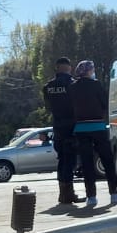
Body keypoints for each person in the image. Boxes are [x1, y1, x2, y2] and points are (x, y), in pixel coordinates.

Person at [68, 59, 117, 207]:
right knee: (107, 160)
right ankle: (114, 194)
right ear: (89, 71)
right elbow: (104, 103)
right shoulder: (96, 84)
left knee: (87, 163)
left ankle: (91, 196)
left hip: (80, 129)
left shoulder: (72, 88)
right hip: (97, 126)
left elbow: (71, 107)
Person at [42, 56, 81, 204]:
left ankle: (63, 193)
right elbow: (77, 106)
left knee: (62, 160)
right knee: (70, 161)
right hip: (72, 127)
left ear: (56, 67)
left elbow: (48, 107)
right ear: (69, 68)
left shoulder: (48, 87)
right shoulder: (73, 84)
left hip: (57, 127)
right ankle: (67, 194)